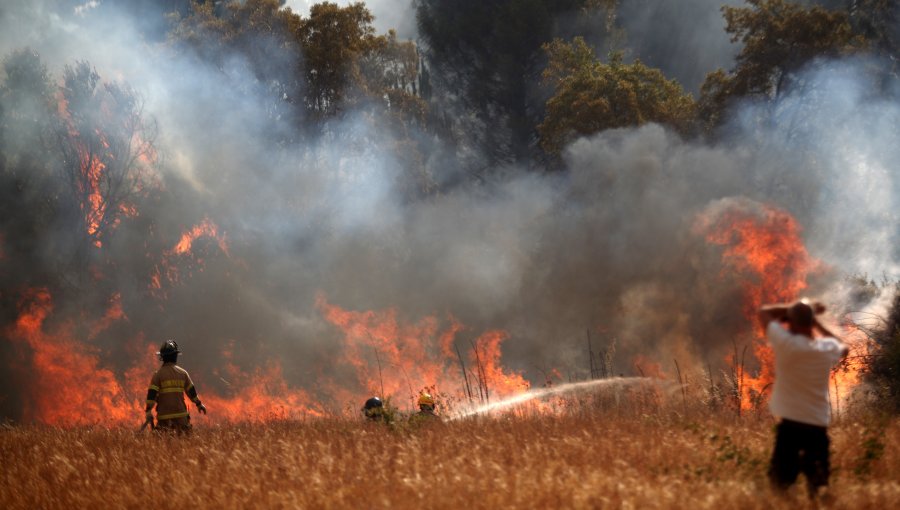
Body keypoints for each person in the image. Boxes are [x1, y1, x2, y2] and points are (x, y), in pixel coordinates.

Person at [758, 299, 848, 498]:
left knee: (780, 485)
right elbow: (844, 348)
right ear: (810, 324)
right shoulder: (826, 348)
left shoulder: (786, 344)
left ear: (791, 323)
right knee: (818, 485)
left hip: (791, 426)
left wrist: (791, 310)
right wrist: (815, 321)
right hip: (817, 426)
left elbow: (764, 311)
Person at [145, 340, 207, 434]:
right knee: (184, 445)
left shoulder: (158, 375)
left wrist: (148, 411)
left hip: (164, 418)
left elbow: (151, 395)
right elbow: (191, 391)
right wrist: (199, 404)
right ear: (175, 356)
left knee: (164, 445)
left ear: (162, 357)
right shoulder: (183, 373)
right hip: (181, 417)